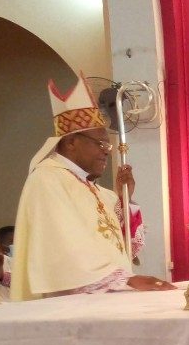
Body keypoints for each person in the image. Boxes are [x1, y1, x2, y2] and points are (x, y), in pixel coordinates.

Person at [11, 73, 173, 300]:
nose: (107, 150)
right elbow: (63, 250)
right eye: (100, 143)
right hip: (68, 306)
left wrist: (125, 199)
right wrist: (125, 280)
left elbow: (127, 247)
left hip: (102, 302)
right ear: (71, 142)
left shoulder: (97, 191)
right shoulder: (46, 180)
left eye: (107, 144)